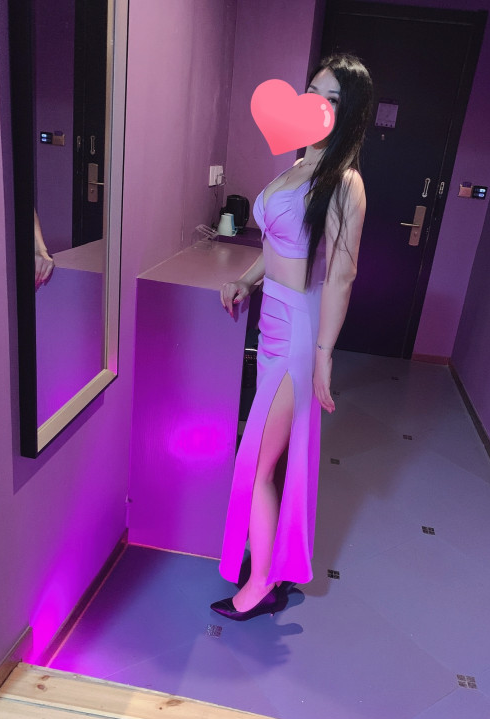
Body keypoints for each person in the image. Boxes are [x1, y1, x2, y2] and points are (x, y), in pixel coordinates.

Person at [212, 53, 373, 621]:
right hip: (273, 319)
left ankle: (260, 583)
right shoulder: (299, 166)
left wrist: (323, 357)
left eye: (330, 98)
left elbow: (342, 275)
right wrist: (245, 279)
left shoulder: (344, 182)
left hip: (299, 334)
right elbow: (277, 246)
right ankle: (272, 568)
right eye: (312, 91)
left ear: (347, 114)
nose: (316, 105)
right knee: (266, 458)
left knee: (257, 462)